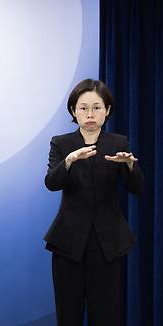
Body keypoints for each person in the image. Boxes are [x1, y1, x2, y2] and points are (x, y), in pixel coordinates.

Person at [44, 79, 144, 326]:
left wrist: (130, 166)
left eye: (97, 108)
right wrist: (68, 161)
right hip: (68, 241)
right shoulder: (61, 143)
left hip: (107, 241)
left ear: (107, 110)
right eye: (83, 108)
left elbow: (137, 188)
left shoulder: (117, 143)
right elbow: (51, 183)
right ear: (73, 111)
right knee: (69, 314)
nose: (90, 114)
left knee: (105, 314)